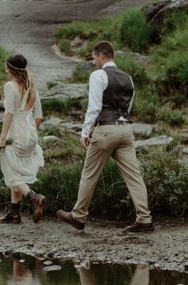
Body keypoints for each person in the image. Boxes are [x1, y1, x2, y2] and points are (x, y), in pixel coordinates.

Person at [56, 41, 154, 233]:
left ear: (101, 56)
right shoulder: (129, 78)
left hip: (105, 130)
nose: (93, 62)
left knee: (89, 174)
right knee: (134, 176)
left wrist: (85, 132)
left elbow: (94, 107)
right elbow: (128, 107)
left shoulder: (98, 75)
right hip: (125, 130)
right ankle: (144, 218)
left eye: (94, 58)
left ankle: (79, 215)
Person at [0, 54, 46, 225]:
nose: (5, 70)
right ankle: (14, 212)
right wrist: (30, 132)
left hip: (16, 133)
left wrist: (3, 137)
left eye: (7, 67)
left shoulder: (10, 86)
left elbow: (9, 113)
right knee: (17, 170)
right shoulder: (32, 87)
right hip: (31, 134)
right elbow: (39, 116)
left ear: (11, 69)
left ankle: (34, 197)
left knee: (11, 172)